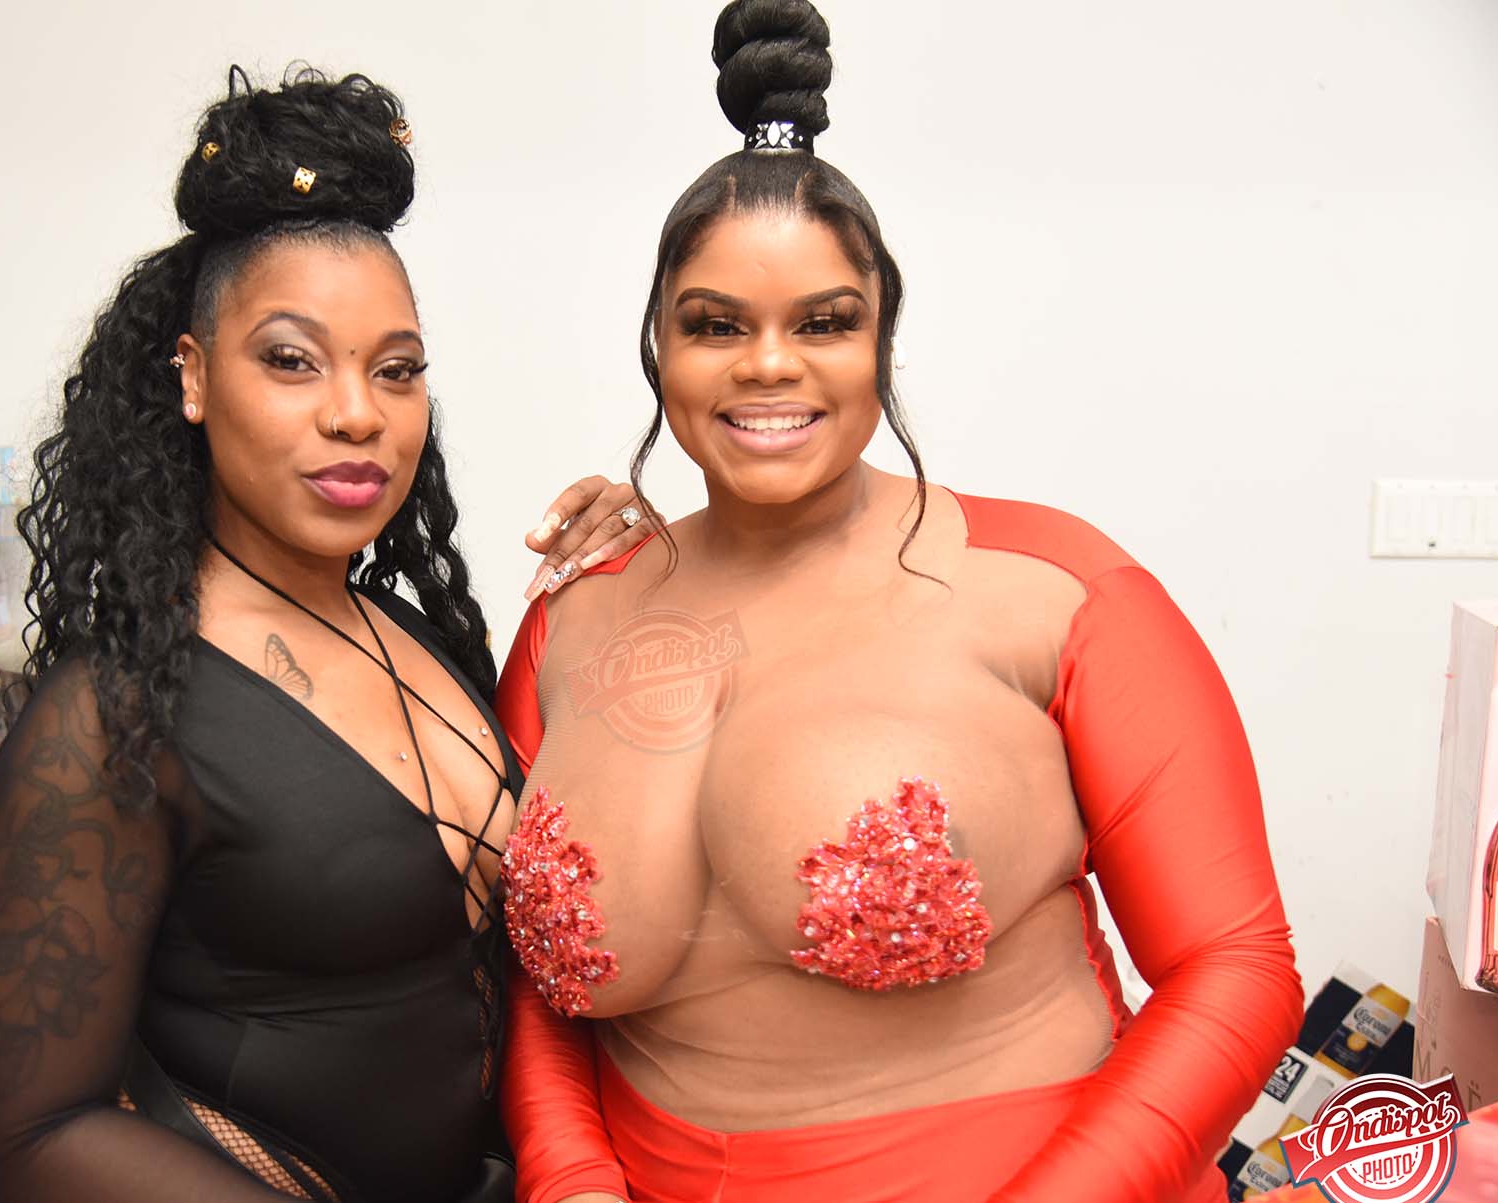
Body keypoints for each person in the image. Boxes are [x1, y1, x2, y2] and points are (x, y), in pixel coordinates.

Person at [493, 3, 1304, 1201]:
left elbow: (1234, 968)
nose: (769, 364)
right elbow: (522, 981)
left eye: (824, 322)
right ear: (656, 349)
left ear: (882, 341)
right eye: (714, 326)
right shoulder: (571, 619)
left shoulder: (1057, 592)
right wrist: (570, 1183)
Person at [0, 65, 657, 1203]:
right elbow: (27, 1132)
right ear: (192, 377)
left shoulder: (423, 639)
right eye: (291, 360)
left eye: (396, 370)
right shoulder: (116, 709)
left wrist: (655, 568)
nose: (356, 413)